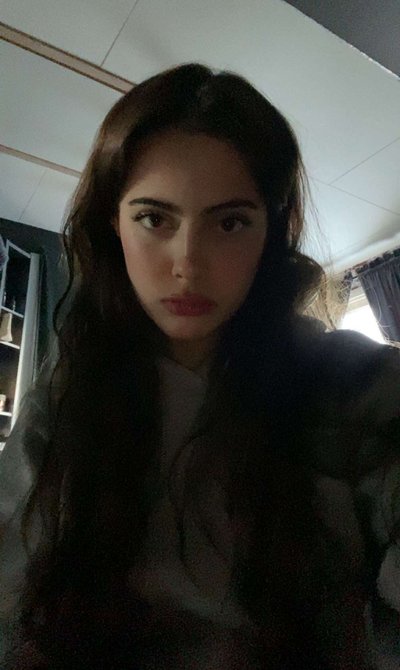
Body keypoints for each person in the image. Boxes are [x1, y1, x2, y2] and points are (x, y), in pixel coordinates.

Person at [0, 63, 399, 670]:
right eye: (155, 219)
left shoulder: (351, 385)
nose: (188, 262)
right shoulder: (69, 393)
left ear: (271, 232)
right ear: (113, 223)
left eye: (230, 222)